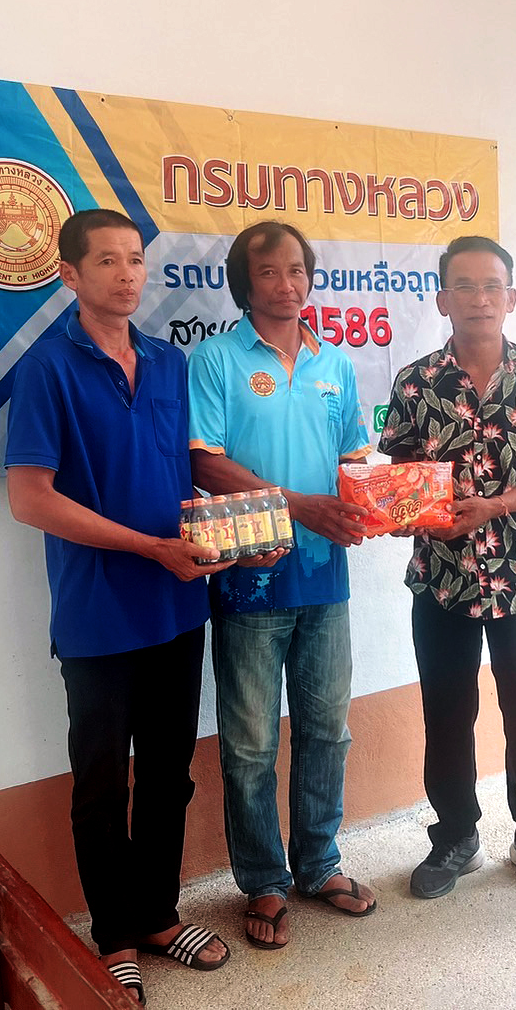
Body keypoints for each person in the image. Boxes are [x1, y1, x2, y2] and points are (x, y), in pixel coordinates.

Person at [5, 208, 239, 1004]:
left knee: (169, 774)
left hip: (176, 604)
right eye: (105, 260)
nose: (126, 274)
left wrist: (249, 531)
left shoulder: (168, 364)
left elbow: (183, 475)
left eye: (135, 259)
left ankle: (159, 916)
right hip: (97, 613)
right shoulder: (47, 368)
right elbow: (30, 499)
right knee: (101, 783)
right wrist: (149, 548)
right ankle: (113, 935)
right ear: (69, 274)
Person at [377, 235, 516, 899]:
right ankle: (454, 838)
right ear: (442, 298)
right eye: (464, 286)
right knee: (446, 713)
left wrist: (495, 504)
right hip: (441, 577)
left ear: (511, 297)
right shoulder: (415, 382)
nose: (479, 298)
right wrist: (402, 511)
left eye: (491, 285)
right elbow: (400, 479)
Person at [187, 220, 377, 950]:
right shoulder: (215, 359)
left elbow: (353, 458)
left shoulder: (336, 362)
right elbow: (204, 461)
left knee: (328, 729)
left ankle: (319, 863)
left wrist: (381, 503)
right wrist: (299, 505)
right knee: (250, 744)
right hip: (250, 580)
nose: (286, 283)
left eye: (297, 269)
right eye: (268, 271)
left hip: (325, 576)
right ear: (244, 283)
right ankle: (264, 880)